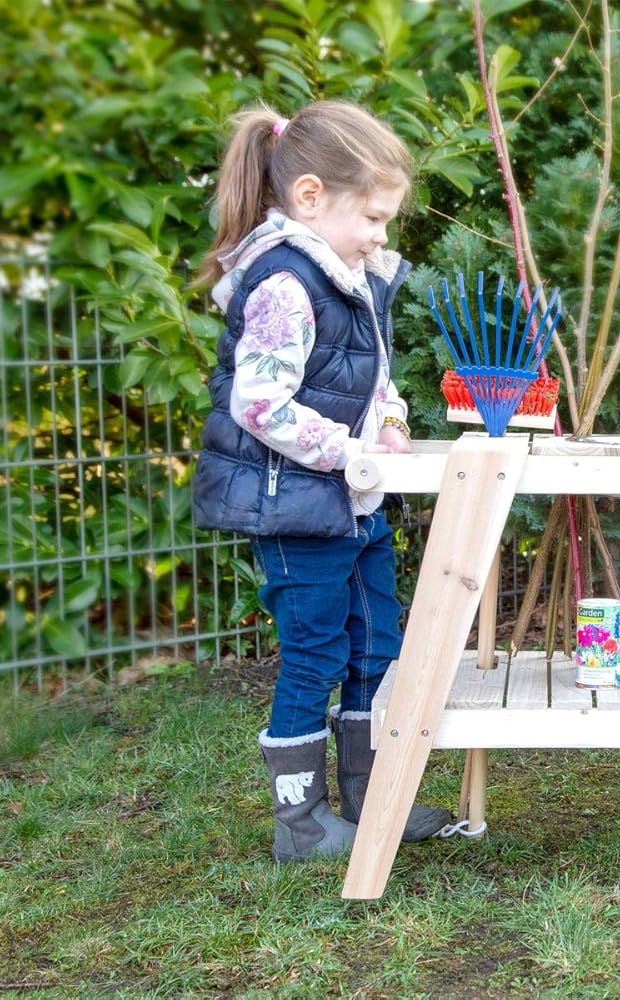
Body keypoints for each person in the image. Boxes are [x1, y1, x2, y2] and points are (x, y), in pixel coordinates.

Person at [191, 101, 449, 863]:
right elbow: (260, 403)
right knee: (315, 652)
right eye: (372, 217)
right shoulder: (285, 286)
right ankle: (300, 824)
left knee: (377, 644)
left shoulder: (351, 277)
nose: (381, 235)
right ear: (309, 197)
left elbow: (374, 377)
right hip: (298, 509)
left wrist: (394, 421)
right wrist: (349, 453)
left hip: (356, 501)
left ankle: (375, 798)